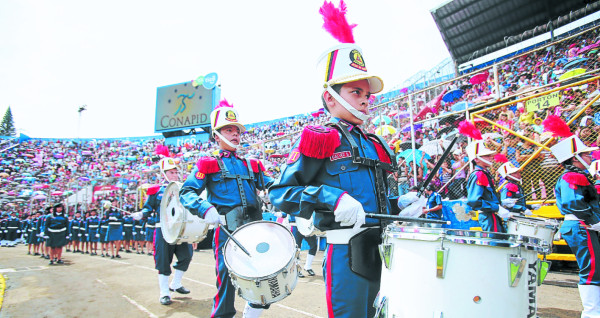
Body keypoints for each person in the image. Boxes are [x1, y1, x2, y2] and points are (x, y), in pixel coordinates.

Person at [269, 3, 395, 316]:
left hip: (384, 251)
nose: (366, 100)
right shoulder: (322, 137)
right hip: (346, 253)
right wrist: (332, 197)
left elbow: (381, 197)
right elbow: (280, 193)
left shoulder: (374, 143)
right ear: (330, 96)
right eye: (356, 92)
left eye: (367, 94)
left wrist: (402, 204)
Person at [179, 99, 273, 318]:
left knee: (263, 277)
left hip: (254, 229)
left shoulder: (252, 164)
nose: (235, 134)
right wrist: (204, 208)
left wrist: (274, 191)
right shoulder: (207, 163)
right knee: (226, 281)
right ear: (216, 135)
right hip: (227, 231)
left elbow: (272, 185)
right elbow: (186, 192)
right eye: (228, 130)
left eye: (237, 130)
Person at [545, 115, 600, 317]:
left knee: (594, 267)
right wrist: (594, 221)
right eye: (586, 155)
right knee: (591, 269)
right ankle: (592, 313)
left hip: (582, 225)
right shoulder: (573, 175)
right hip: (582, 226)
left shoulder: (577, 175)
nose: (590, 157)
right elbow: (572, 202)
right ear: (575, 158)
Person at [132, 157, 193, 306]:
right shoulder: (156, 190)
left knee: (187, 255)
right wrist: (142, 213)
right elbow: (149, 207)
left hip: (180, 230)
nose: (174, 175)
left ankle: (176, 284)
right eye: (171, 172)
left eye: (175, 172)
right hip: (163, 229)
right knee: (163, 260)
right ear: (164, 174)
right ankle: (164, 293)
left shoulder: (183, 188)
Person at [462, 121, 511, 233]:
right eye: (487, 156)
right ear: (476, 159)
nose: (491, 158)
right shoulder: (479, 174)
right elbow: (474, 201)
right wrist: (496, 207)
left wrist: (501, 203)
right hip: (489, 216)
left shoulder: (484, 173)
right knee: (495, 244)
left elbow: (487, 197)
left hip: (492, 214)